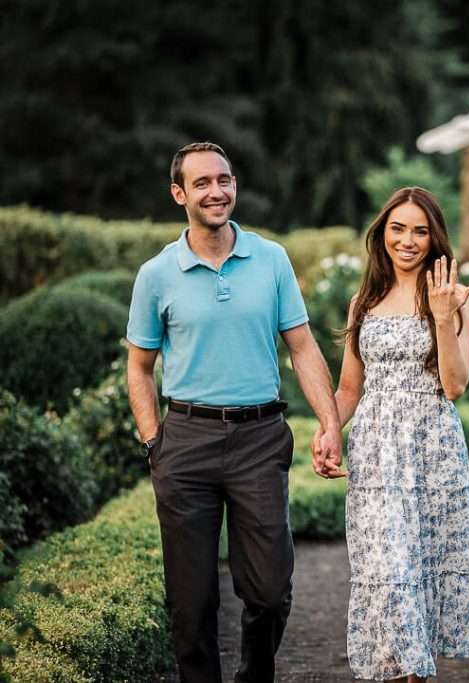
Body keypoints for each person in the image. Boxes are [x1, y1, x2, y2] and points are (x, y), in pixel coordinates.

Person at [126, 141, 344, 683]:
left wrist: (330, 422)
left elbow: (302, 346)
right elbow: (139, 367)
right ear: (179, 194)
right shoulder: (156, 275)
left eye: (223, 179)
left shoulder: (270, 258)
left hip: (260, 437)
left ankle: (254, 675)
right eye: (201, 183)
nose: (216, 191)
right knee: (191, 599)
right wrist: (154, 441)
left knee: (270, 589)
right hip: (186, 443)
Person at [314, 186, 469, 681]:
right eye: (397, 229)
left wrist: (443, 318)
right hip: (377, 452)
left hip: (432, 448)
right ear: (382, 233)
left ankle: (413, 675)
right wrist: (327, 432)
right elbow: (348, 389)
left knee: (421, 567)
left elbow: (455, 384)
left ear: (434, 239)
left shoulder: (457, 297)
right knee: (387, 571)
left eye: (420, 231)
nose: (408, 240)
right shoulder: (363, 301)